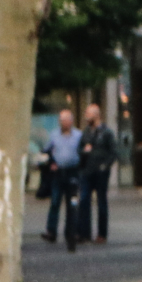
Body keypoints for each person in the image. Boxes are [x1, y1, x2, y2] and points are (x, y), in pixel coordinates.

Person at [40, 108, 82, 247]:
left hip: (73, 171)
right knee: (55, 202)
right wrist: (51, 162)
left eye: (65, 120)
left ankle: (72, 231)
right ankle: (51, 231)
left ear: (71, 121)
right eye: (61, 120)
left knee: (73, 204)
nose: (63, 123)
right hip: (58, 173)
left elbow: (82, 152)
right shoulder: (54, 135)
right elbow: (46, 151)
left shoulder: (78, 135)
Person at [79, 102, 118, 243]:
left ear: (96, 115)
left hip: (100, 172)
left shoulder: (106, 132)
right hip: (87, 171)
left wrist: (105, 166)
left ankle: (102, 234)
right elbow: (80, 148)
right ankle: (84, 233)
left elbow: (114, 152)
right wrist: (83, 152)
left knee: (101, 201)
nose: (86, 117)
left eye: (88, 114)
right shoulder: (86, 132)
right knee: (84, 200)